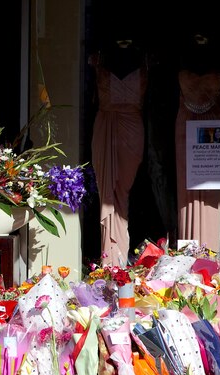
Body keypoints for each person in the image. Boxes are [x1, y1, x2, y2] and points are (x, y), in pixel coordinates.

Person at [89, 39, 148, 265]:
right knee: (108, 193)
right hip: (106, 129)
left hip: (132, 130)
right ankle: (111, 254)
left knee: (122, 190)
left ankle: (118, 251)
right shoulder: (101, 57)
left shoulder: (143, 59)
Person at [175, 33, 220, 252]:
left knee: (212, 190)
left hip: (215, 130)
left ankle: (210, 251)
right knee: (187, 192)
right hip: (186, 128)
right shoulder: (182, 61)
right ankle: (189, 250)